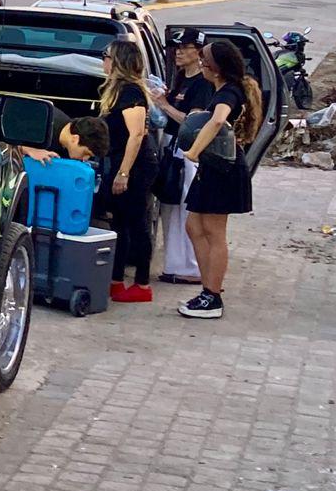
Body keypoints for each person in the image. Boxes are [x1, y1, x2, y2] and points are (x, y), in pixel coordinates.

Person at [179, 40, 261, 319]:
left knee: (214, 232)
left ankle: (212, 296)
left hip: (223, 168)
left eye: (205, 61)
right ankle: (207, 288)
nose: (200, 64)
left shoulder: (228, 93)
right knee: (193, 225)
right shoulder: (222, 89)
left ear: (215, 67)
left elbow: (218, 120)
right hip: (212, 168)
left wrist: (193, 150)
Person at [148, 27, 215, 285]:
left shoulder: (202, 85)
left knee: (186, 211)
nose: (179, 53)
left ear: (198, 53)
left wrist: (164, 105)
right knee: (169, 207)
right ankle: (175, 264)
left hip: (188, 152)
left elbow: (193, 122)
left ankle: (191, 266)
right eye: (177, 48)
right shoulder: (180, 78)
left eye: (185, 48)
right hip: (171, 148)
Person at [98, 39, 161, 303]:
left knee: (136, 222)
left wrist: (123, 173)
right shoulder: (117, 91)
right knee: (120, 223)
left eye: (106, 56)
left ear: (118, 62)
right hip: (122, 161)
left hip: (136, 166)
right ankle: (115, 280)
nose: (103, 60)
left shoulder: (130, 93)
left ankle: (142, 284)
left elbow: (136, 136)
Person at [21, 106, 110, 165]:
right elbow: (7, 139)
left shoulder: (67, 146)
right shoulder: (42, 121)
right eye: (85, 153)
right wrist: (29, 150)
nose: (85, 159)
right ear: (75, 139)